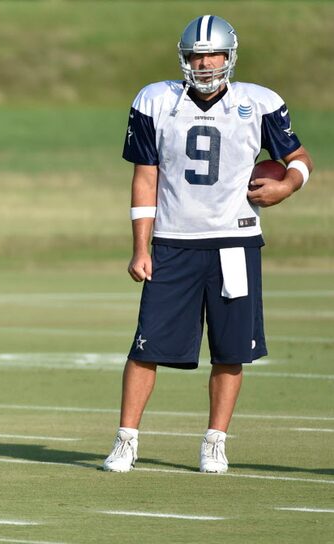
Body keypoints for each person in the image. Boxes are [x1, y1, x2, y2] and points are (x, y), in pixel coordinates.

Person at [102, 14, 313, 474]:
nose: (204, 63)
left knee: (230, 349)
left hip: (234, 241)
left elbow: (297, 158)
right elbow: (145, 178)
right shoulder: (155, 100)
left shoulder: (258, 103)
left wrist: (289, 185)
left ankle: (215, 441)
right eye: (196, 55)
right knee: (146, 346)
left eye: (212, 53)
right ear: (184, 58)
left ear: (229, 56)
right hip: (173, 240)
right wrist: (141, 246)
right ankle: (126, 439)